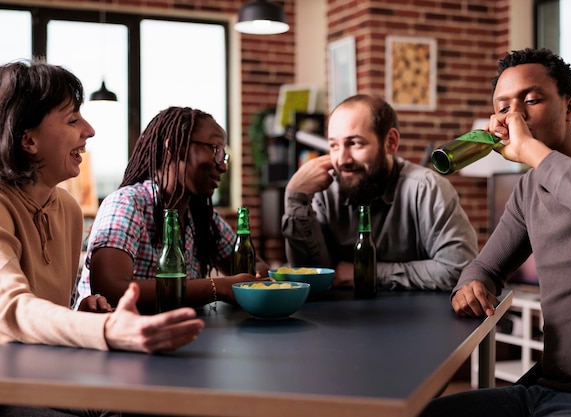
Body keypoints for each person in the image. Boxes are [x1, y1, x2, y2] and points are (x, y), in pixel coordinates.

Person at [420, 48, 571, 416]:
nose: (515, 116)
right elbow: (483, 267)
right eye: (503, 108)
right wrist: (472, 287)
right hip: (549, 388)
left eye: (531, 100)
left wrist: (531, 150)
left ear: (570, 106)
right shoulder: (528, 191)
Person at [0, 59, 204, 416]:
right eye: (72, 119)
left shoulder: (68, 208)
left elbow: (45, 312)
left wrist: (83, 313)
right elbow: (10, 310)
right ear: (28, 139)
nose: (90, 130)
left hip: (43, 374)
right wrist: (107, 330)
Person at [76, 106, 269, 314]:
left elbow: (254, 265)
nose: (223, 166)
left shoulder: (201, 216)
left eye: (224, 156)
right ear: (175, 147)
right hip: (119, 340)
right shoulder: (127, 203)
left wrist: (251, 279)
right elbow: (111, 289)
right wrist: (218, 287)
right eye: (215, 150)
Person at [282, 94, 478, 291]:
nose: (342, 160)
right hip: (340, 319)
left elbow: (459, 270)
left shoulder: (425, 189)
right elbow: (310, 276)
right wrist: (296, 197)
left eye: (355, 143)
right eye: (334, 145)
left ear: (390, 142)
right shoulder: (324, 192)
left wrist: (366, 272)